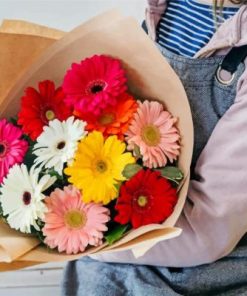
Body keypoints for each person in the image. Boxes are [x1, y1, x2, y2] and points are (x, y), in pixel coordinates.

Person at [62, 1, 247, 295]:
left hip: (211, 274)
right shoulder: (166, 8)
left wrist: (83, 238)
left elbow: (210, 229)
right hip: (114, 249)